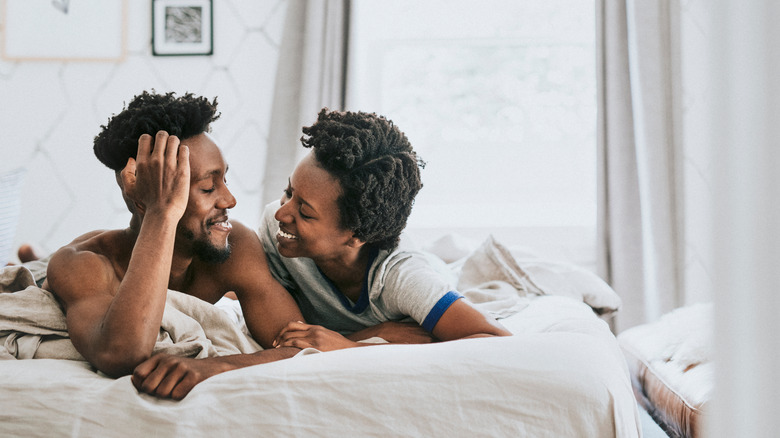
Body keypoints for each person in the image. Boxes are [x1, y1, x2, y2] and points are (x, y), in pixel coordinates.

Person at [43, 91, 304, 400]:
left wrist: (217, 367)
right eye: (208, 187)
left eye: (224, 181)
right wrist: (160, 211)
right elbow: (121, 354)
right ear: (138, 188)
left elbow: (300, 346)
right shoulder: (82, 264)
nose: (230, 200)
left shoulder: (236, 244)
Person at [260, 108, 512, 352]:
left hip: (432, 270)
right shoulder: (276, 229)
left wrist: (351, 348)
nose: (281, 213)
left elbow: (497, 340)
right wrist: (371, 335)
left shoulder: (404, 279)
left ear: (356, 235)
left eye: (305, 212)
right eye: (288, 192)